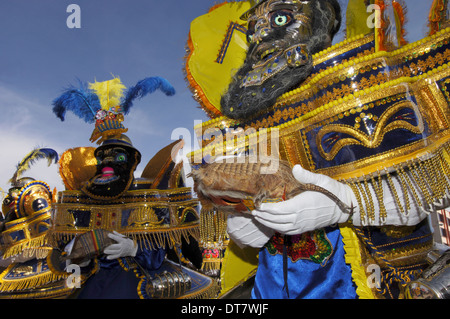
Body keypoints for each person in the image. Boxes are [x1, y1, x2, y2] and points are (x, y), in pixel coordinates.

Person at [186, 0, 450, 298]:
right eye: (253, 29)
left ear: (321, 21)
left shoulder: (365, 79)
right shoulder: (241, 126)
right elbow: (244, 230)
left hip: (377, 281)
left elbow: (436, 186)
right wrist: (245, 218)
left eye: (281, 19)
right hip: (273, 288)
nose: (261, 37)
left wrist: (345, 202)